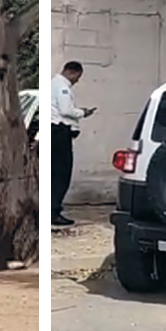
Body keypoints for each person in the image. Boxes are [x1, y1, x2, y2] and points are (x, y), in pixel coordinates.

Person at [51, 61, 96, 226]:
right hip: (58, 132)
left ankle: (51, 208)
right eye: (77, 77)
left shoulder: (53, 84)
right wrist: (83, 112)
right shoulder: (62, 86)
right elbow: (65, 111)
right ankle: (53, 211)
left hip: (53, 132)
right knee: (61, 173)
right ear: (72, 72)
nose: (77, 81)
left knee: (53, 172)